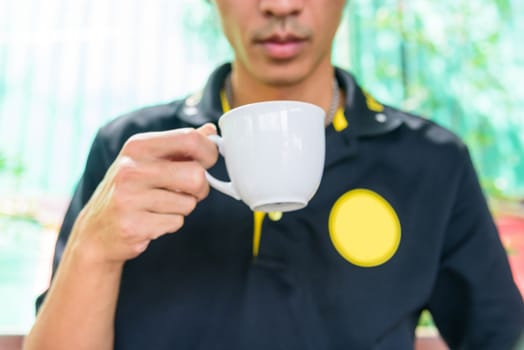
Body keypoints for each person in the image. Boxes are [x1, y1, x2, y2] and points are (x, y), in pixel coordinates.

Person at [24, 0, 524, 349]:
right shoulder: (133, 154)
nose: (280, 5)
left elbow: (499, 337)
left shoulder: (431, 161)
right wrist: (95, 247)